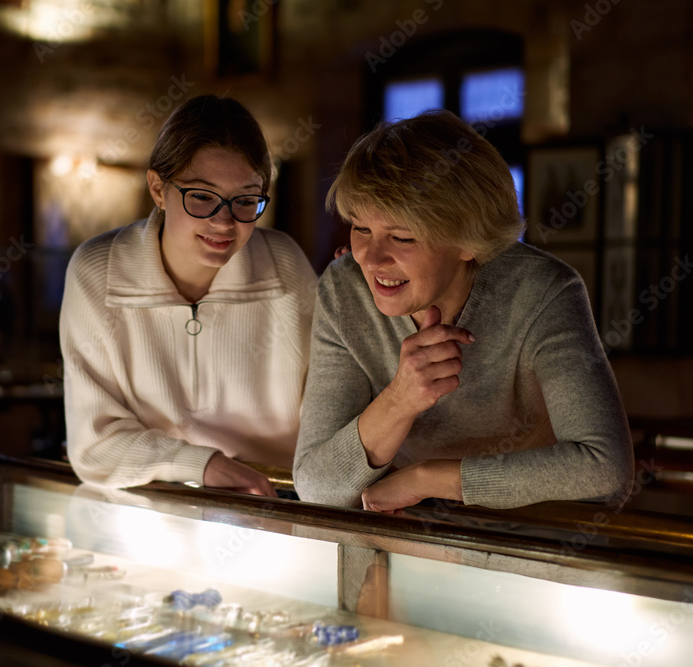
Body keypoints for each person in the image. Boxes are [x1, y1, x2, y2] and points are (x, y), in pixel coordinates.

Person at [294, 109, 633, 511]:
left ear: (469, 241)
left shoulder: (543, 292)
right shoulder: (343, 289)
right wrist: (402, 398)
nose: (370, 258)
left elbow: (605, 468)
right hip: (407, 542)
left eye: (402, 237)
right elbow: (315, 485)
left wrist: (428, 479)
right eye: (361, 229)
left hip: (531, 543)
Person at [60, 94, 317, 497]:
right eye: (201, 195)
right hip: (152, 508)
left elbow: (326, 414)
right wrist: (202, 464)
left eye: (246, 200)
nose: (224, 221)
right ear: (158, 189)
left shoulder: (283, 264)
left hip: (275, 501)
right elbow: (94, 447)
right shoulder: (98, 270)